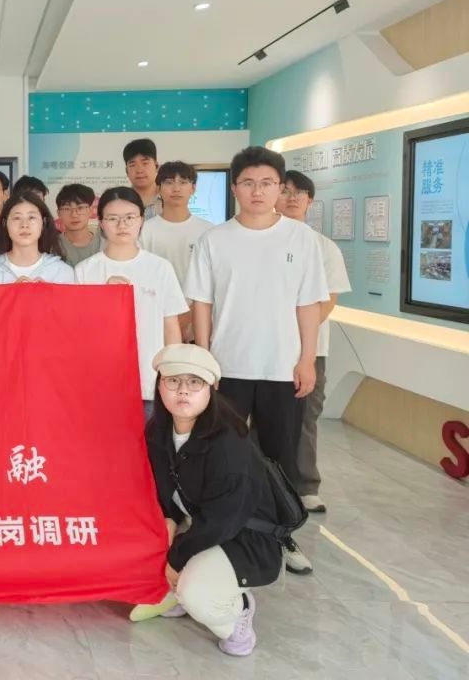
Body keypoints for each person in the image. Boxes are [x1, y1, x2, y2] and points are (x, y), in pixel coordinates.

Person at [185, 146, 328, 575]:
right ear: (235, 188)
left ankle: (282, 536)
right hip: (227, 367)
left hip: (282, 368)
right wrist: (205, 359)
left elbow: (308, 304)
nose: (258, 191)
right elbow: (202, 303)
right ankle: (219, 533)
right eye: (248, 183)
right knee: (221, 454)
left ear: (280, 188)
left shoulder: (301, 239)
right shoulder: (214, 240)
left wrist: (307, 359)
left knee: (280, 457)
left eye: (267, 183)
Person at [134, 343, 281, 658]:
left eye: (195, 382)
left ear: (212, 388)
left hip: (244, 536)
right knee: (144, 543)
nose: (183, 391)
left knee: (198, 594)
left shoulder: (227, 441)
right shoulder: (158, 430)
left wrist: (176, 558)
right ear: (159, 385)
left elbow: (223, 520)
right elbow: (163, 491)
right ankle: (180, 593)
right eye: (173, 380)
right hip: (201, 524)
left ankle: (236, 610)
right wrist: (167, 524)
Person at [277, 170, 352, 514]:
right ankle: (265, 483)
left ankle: (306, 485)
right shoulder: (261, 241)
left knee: (306, 415)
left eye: (300, 192)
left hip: (311, 350)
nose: (293, 198)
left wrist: (298, 335)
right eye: (286, 190)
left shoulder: (325, 247)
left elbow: (328, 300)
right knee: (264, 417)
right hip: (266, 347)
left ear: (310, 200)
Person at [76, 187, 186, 416]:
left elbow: (171, 326)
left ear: (141, 220)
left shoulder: (160, 268)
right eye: (113, 218)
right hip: (101, 382)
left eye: (129, 217)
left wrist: (173, 373)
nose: (122, 225)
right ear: (101, 223)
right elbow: (79, 330)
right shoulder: (85, 270)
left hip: (150, 381)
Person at [139, 161, 214, 340]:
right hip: (158, 318)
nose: (176, 188)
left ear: (193, 188)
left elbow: (212, 280)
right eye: (169, 182)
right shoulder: (145, 230)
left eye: (183, 182)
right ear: (159, 189)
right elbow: (143, 276)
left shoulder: (208, 231)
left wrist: (190, 314)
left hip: (199, 319)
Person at [0, 191, 75, 284]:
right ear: (5, 223)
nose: (24, 225)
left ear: (43, 222)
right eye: (17, 218)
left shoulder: (61, 271)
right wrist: (11, 292)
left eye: (31, 217)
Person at [56, 183, 102, 267]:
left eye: (80, 208)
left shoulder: (103, 245)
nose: (74, 215)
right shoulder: (52, 246)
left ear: (90, 211)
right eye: (67, 209)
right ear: (59, 214)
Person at [124, 138, 160, 218]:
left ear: (156, 166)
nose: (139, 170)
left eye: (145, 163)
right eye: (132, 165)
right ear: (126, 171)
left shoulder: (171, 198)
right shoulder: (119, 202)